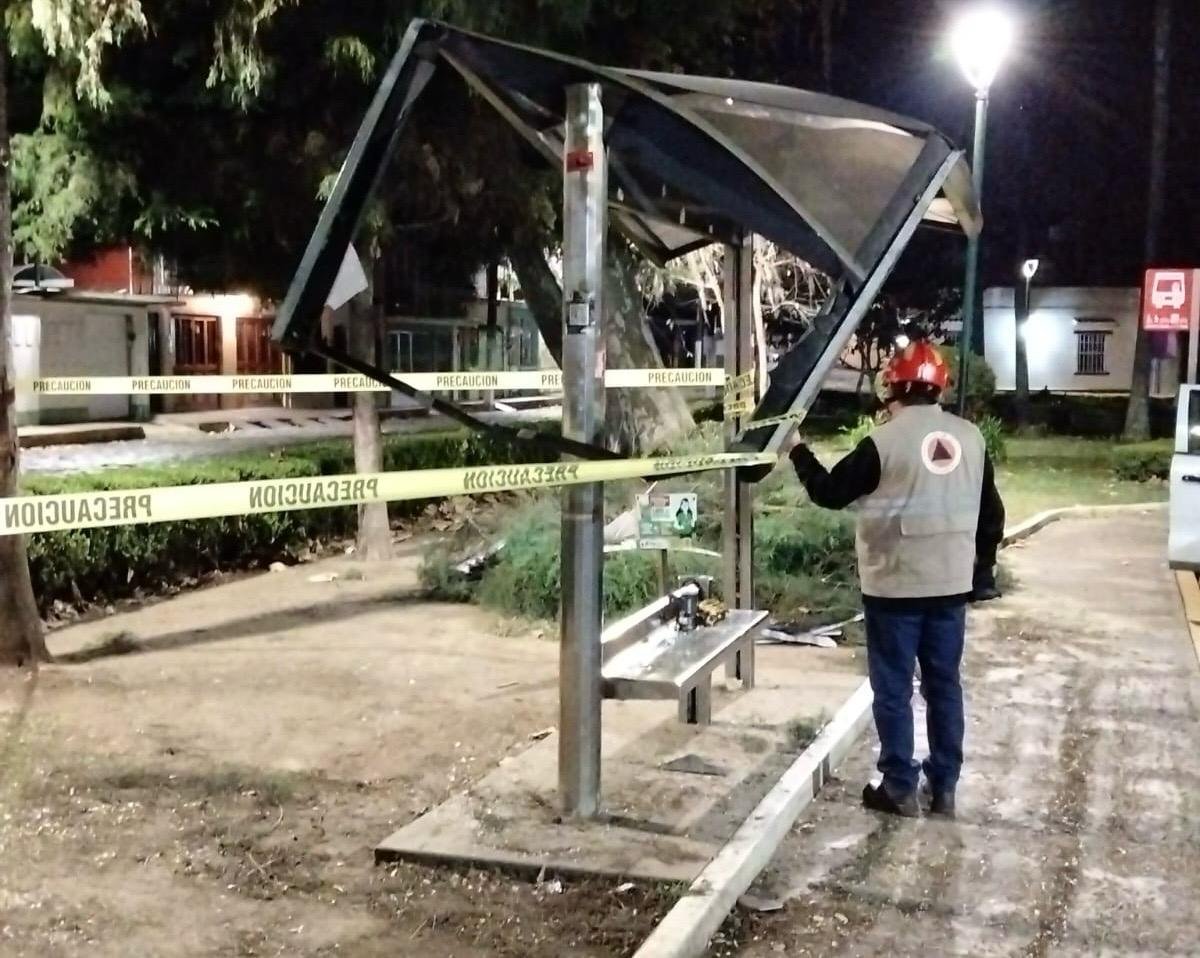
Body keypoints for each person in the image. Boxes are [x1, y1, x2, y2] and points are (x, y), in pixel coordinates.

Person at [789, 341, 1005, 819]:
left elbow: (830, 492)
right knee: (944, 685)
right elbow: (992, 513)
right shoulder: (971, 439)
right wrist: (982, 570)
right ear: (940, 388)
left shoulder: (882, 443)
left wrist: (797, 450)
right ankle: (944, 786)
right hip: (950, 588)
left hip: (894, 587)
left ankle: (899, 787)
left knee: (893, 688)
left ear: (891, 388)